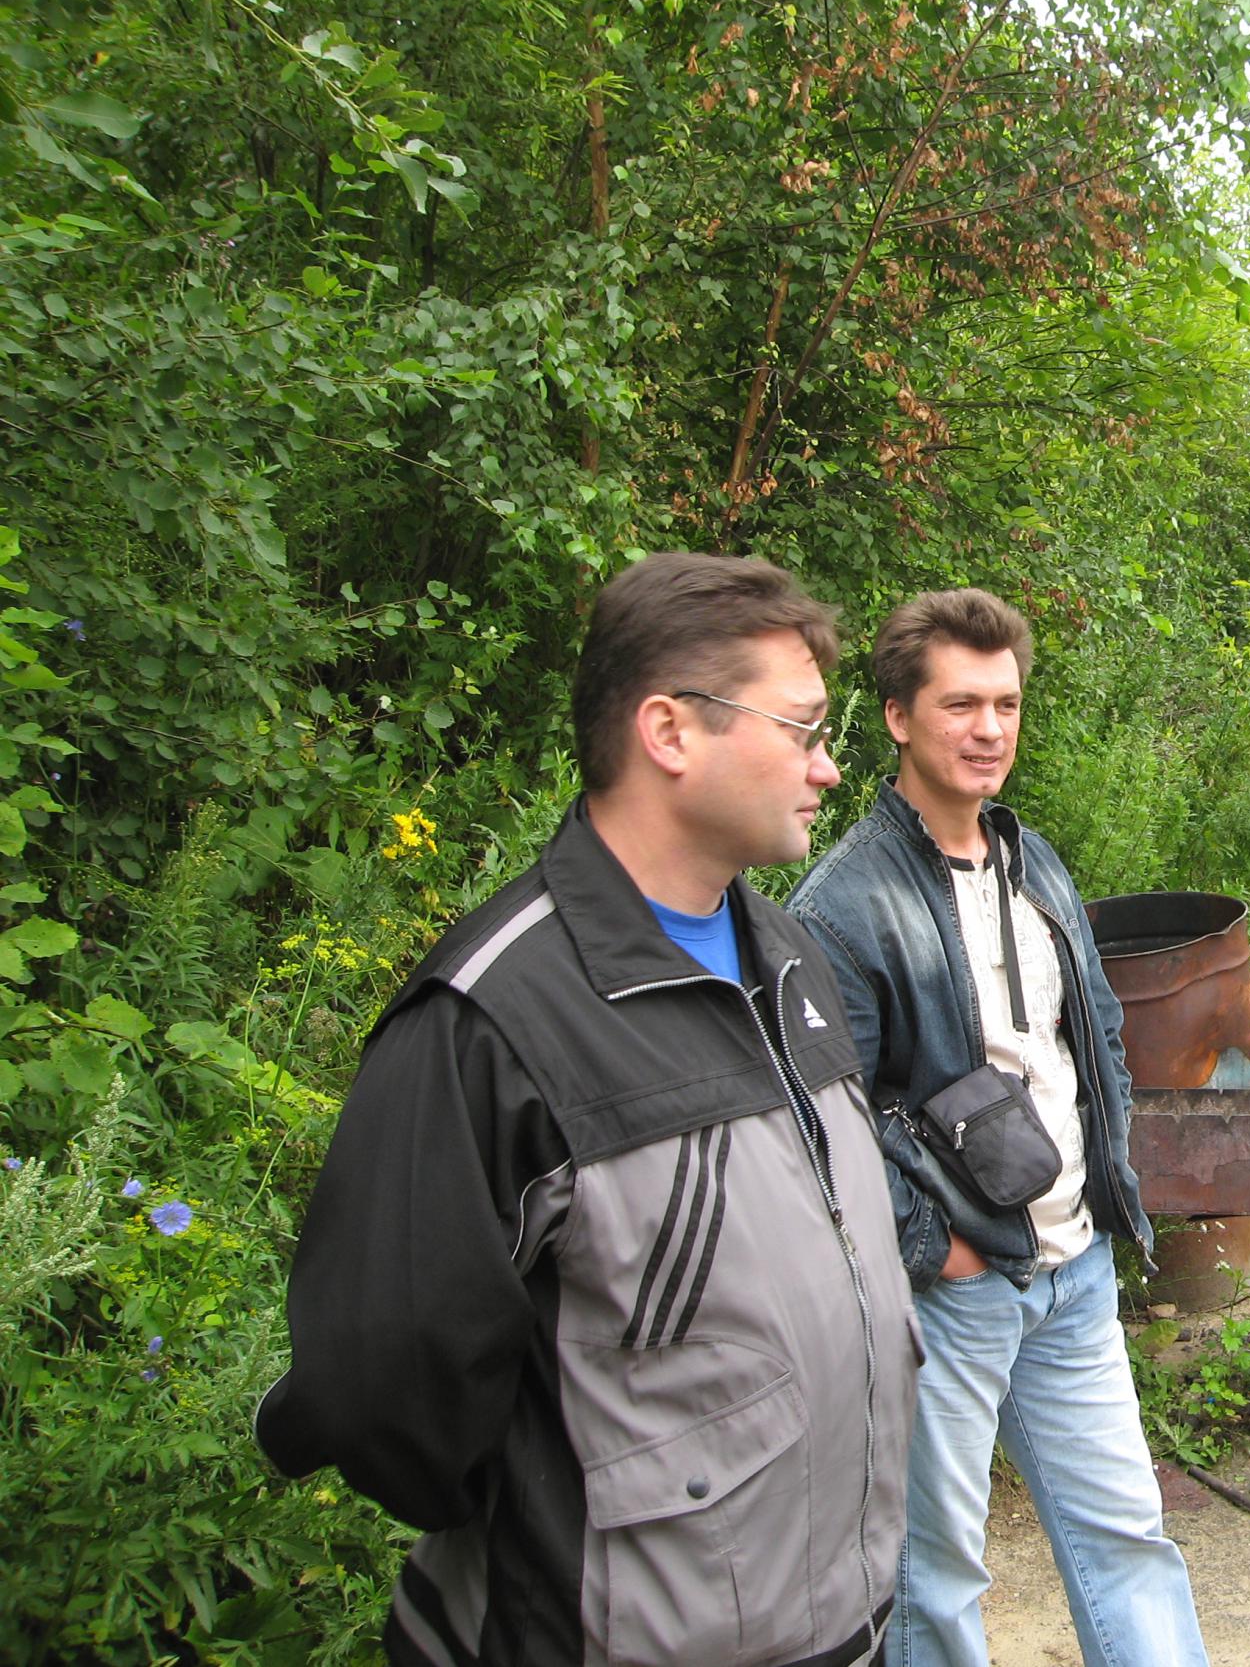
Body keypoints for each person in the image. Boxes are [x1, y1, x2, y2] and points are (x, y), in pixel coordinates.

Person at [257, 553, 917, 1667]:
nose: (829, 763)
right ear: (670, 731)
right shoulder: (493, 1017)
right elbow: (383, 1384)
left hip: (836, 1628)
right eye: (803, 729)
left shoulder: (792, 956)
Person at [791, 588, 1206, 1667]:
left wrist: (1105, 1187)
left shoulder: (1036, 859)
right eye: (961, 704)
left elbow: (1097, 1035)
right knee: (934, 1579)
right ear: (897, 716)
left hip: (1075, 1275)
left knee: (1128, 1539)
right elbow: (819, 1126)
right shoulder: (842, 906)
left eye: (1007, 704)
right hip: (954, 1295)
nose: (989, 729)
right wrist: (938, 1248)